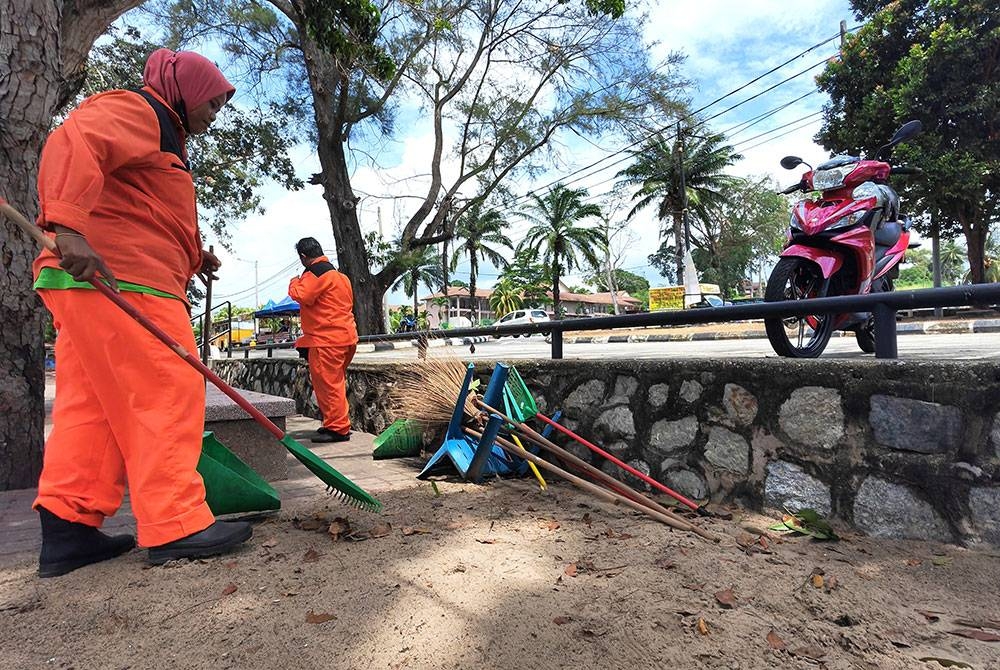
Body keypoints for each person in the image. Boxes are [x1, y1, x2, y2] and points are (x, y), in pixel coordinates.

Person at [31, 48, 252, 577]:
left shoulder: (165, 136)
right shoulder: (142, 111)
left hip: (90, 286)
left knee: (92, 409)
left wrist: (196, 256)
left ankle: (68, 529)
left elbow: (147, 208)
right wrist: (68, 227)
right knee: (166, 388)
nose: (214, 116)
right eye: (213, 104)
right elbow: (74, 140)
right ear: (186, 88)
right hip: (124, 281)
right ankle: (177, 521)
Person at [288, 238, 359, 443]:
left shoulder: (315, 273)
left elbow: (302, 295)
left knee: (329, 386)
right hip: (346, 338)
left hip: (326, 340)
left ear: (303, 257)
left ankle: (338, 429)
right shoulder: (341, 277)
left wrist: (294, 281)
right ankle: (335, 423)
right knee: (335, 383)